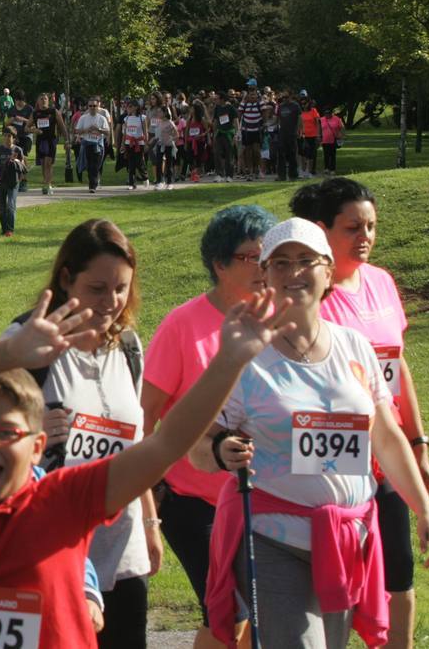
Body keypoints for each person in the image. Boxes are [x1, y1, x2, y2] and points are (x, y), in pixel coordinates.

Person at [0, 281, 304, 647]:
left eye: (6, 433)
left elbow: (166, 444)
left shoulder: (64, 499)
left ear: (37, 447)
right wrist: (9, 352)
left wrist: (229, 360)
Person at [192, 218, 429, 648]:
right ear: (265, 275)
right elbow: (196, 445)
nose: (294, 273)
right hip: (271, 536)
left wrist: (424, 511)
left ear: (328, 271)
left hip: (345, 538)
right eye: (281, 263)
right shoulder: (246, 352)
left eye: (307, 261)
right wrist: (220, 449)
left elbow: (385, 435)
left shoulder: (354, 346)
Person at [293, 178, 429, 649]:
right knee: (319, 587)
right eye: (353, 227)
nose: (366, 236)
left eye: (371, 226)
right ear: (322, 231)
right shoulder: (311, 294)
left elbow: (398, 367)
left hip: (386, 452)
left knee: (400, 575)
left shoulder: (382, 282)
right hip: (330, 458)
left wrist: (419, 444)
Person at [1, 220, 157, 648]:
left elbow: (136, 444)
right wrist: (28, 436)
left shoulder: (128, 347)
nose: (112, 301)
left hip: (122, 552)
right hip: (53, 550)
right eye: (98, 288)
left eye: (121, 288)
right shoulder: (27, 343)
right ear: (67, 278)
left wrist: (150, 523)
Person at [141, 204, 275, 649]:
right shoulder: (183, 325)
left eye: (267, 256)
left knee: (259, 615)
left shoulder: (279, 321)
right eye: (250, 257)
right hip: (193, 501)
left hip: (266, 495)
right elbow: (145, 415)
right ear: (220, 264)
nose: (262, 266)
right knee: (228, 611)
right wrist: (146, 498)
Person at [0, 126, 27, 236]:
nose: (7, 138)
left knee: (11, 205)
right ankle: (4, 228)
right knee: (1, 206)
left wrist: (16, 161)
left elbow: (23, 166)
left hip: (13, 181)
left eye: (9, 136)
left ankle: (10, 230)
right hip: (0, 180)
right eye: (5, 136)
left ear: (14, 138)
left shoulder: (18, 150)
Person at [76, 97, 110, 193]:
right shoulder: (83, 118)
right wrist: (87, 130)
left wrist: (98, 129)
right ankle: (92, 184)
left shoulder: (102, 118)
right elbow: (77, 130)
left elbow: (107, 132)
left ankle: (93, 185)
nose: (92, 107)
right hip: (86, 144)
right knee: (89, 165)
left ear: (98, 106)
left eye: (94, 106)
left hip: (98, 145)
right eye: (90, 106)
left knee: (95, 165)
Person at [320, 107, 345, 176]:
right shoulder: (321, 119)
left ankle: (332, 169)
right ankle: (326, 168)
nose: (327, 114)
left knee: (332, 155)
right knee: (326, 155)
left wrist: (341, 136)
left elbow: (342, 128)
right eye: (326, 113)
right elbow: (319, 129)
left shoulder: (336, 119)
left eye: (328, 113)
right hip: (324, 140)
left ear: (331, 113)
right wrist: (319, 137)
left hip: (333, 139)